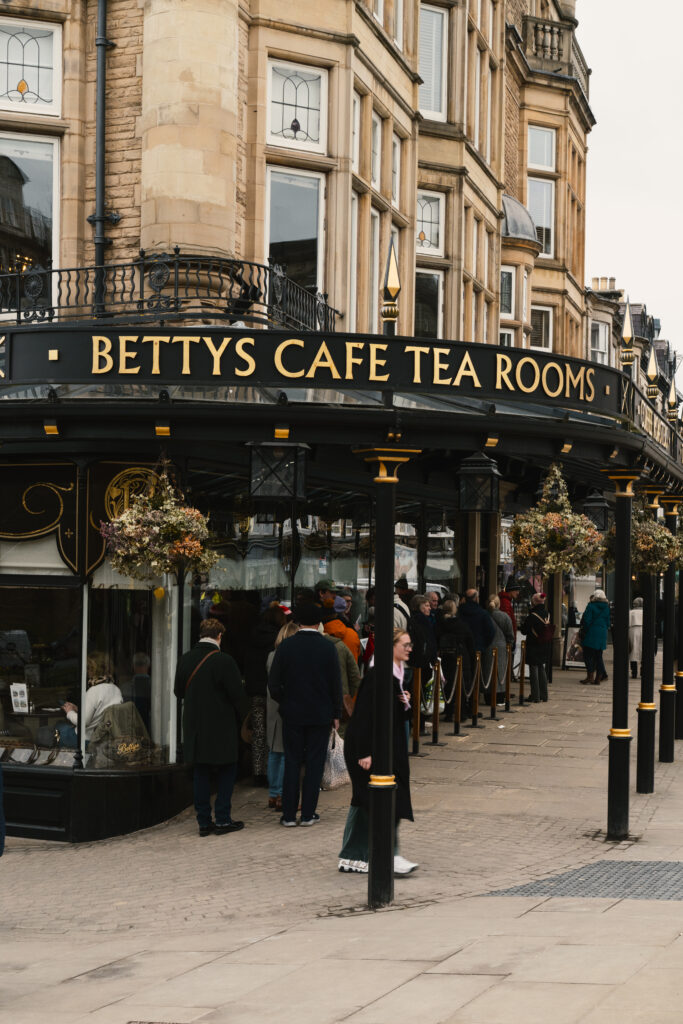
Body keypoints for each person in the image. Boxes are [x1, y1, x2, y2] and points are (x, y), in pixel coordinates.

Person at [338, 627, 418, 876]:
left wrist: (405, 701)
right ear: (390, 647)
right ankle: (373, 855)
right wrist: (364, 752)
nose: (409, 648)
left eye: (409, 644)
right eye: (404, 644)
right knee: (372, 799)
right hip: (369, 748)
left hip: (382, 747)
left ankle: (362, 855)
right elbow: (363, 715)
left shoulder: (394, 674)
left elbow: (395, 714)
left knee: (372, 800)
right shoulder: (378, 676)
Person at [268, 603, 343, 827]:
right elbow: (336, 685)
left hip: (292, 713)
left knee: (292, 762)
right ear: (319, 623)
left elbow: (274, 685)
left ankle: (289, 814)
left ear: (298, 623)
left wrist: (285, 702)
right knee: (314, 763)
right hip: (320, 714)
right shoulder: (328, 648)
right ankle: (308, 813)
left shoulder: (286, 647)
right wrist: (336, 712)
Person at [174, 618, 249, 837]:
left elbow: (179, 692)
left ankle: (204, 822)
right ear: (219, 636)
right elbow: (238, 697)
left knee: (201, 772)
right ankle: (223, 819)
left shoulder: (186, 659)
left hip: (194, 726)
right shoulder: (224, 661)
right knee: (227, 770)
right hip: (221, 726)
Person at [243, 602, 287, 786]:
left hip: (255, 690)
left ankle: (258, 772)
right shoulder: (277, 641)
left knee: (259, 732)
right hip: (271, 691)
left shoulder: (252, 637)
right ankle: (272, 774)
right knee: (275, 733)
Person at [265, 621, 300, 811]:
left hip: (272, 707)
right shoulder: (287, 657)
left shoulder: (271, 656)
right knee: (286, 753)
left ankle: (273, 793)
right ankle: (281, 794)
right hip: (286, 707)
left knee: (274, 753)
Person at [61, 653, 124, 745]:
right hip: (105, 739)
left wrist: (69, 712)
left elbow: (83, 723)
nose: (86, 670)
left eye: (88, 667)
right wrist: (78, 709)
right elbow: (100, 713)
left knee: (57, 728)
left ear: (93, 669)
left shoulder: (94, 691)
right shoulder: (115, 689)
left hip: (87, 740)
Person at [436, 599, 475, 721]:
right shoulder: (461, 625)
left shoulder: (439, 624)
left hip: (446, 659)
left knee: (447, 685)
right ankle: (461, 712)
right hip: (460, 657)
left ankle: (448, 712)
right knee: (461, 686)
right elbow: (470, 642)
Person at [520, 593, 553, 702]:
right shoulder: (547, 614)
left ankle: (535, 696)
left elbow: (524, 630)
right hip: (544, 644)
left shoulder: (532, 616)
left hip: (533, 644)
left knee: (533, 668)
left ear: (534, 602)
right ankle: (544, 695)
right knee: (541, 668)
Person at [579, 589, 611, 685]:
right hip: (602, 633)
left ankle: (590, 677)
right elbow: (608, 622)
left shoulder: (591, 605)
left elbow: (587, 620)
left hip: (591, 632)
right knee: (598, 655)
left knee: (588, 655)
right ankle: (598, 677)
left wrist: (585, 629)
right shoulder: (606, 607)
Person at [488, 594, 514, 698]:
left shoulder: (485, 615)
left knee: (488, 672)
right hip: (502, 648)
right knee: (500, 672)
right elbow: (510, 634)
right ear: (499, 604)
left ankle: (488, 695)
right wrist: (509, 645)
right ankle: (500, 695)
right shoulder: (504, 617)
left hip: (488, 647)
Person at [119, 651, 152, 732]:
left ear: (133, 666)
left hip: (130, 731)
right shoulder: (156, 688)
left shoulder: (124, 688)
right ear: (148, 666)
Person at [323, 597, 361, 661]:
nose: (349, 604)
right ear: (335, 614)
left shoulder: (319, 636)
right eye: (347, 601)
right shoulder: (352, 634)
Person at [629, 596, 643, 679]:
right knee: (643, 650)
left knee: (632, 651)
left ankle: (634, 672)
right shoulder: (646, 612)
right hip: (644, 630)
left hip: (633, 630)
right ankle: (643, 670)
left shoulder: (631, 612)